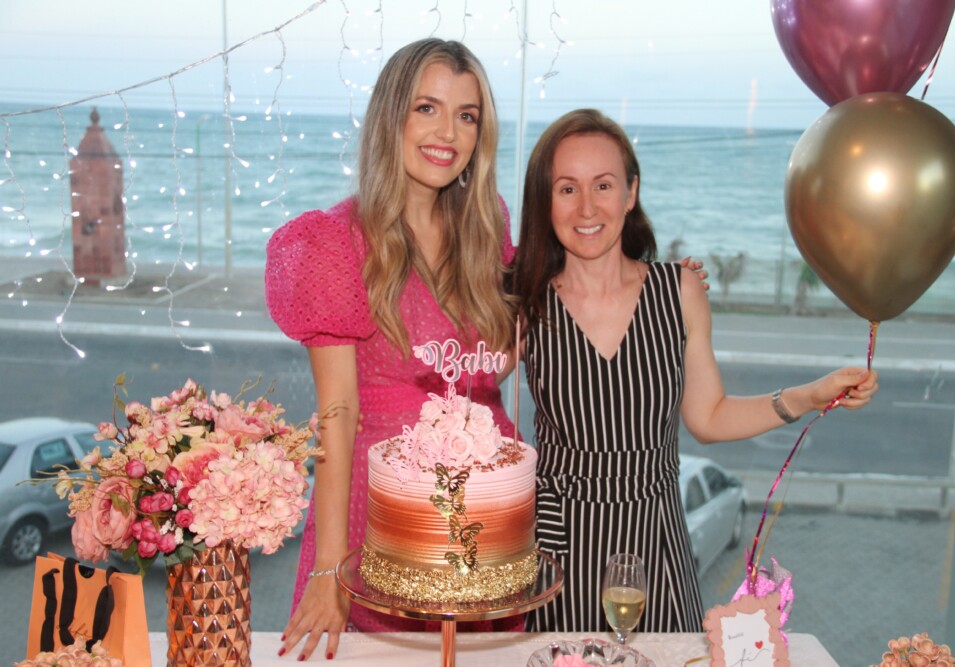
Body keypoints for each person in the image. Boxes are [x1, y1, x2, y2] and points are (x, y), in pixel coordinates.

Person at [510, 108, 880, 633]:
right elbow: (459, 381)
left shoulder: (679, 291)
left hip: (654, 543)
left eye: (604, 185)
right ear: (544, 200)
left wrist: (808, 396)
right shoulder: (525, 304)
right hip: (560, 548)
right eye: (566, 189)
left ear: (631, 193)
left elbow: (709, 417)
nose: (587, 207)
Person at [264, 38, 520, 661]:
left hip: (478, 519)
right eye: (426, 108)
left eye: (467, 116)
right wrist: (330, 569)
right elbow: (337, 413)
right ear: (390, 117)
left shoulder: (486, 228)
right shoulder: (336, 242)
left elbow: (492, 365)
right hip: (379, 510)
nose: (448, 133)